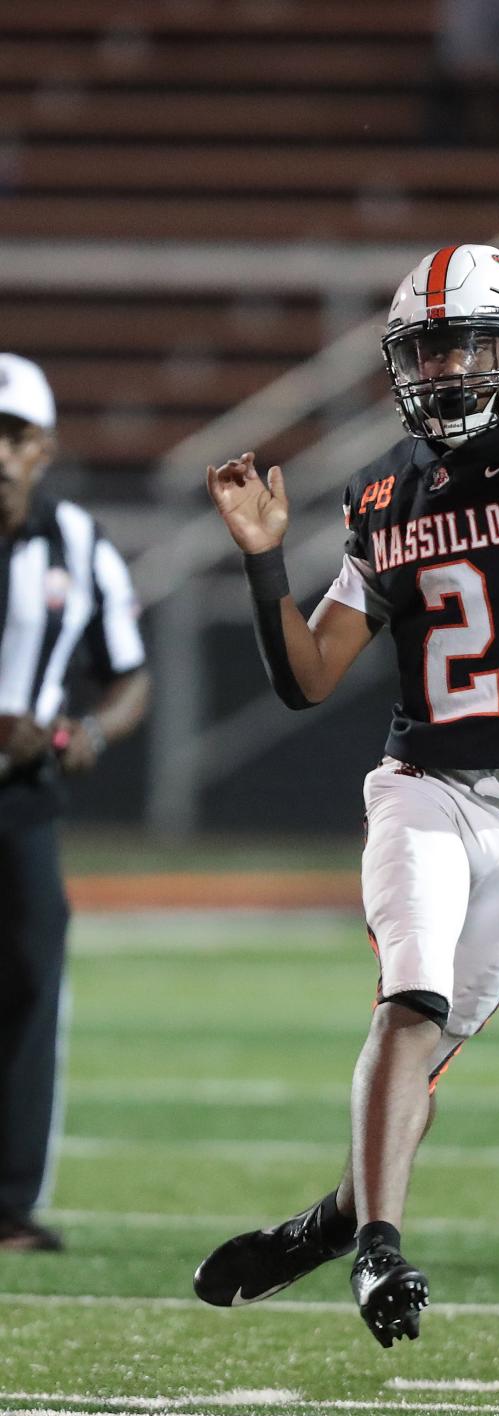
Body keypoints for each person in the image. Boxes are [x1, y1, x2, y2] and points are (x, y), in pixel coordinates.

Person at [193, 245, 499, 1345]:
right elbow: (308, 676)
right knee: (409, 1005)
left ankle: (336, 1215)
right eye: (425, 351)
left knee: (428, 1050)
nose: (445, 372)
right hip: (424, 783)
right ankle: (380, 1251)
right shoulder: (387, 488)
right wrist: (263, 562)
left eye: (466, 344)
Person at [0, 354, 150, 1252]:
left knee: (27, 990)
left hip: (24, 798)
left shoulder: (78, 543)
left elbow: (130, 675)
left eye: (12, 435)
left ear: (44, 447)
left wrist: (85, 735)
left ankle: (9, 1203)